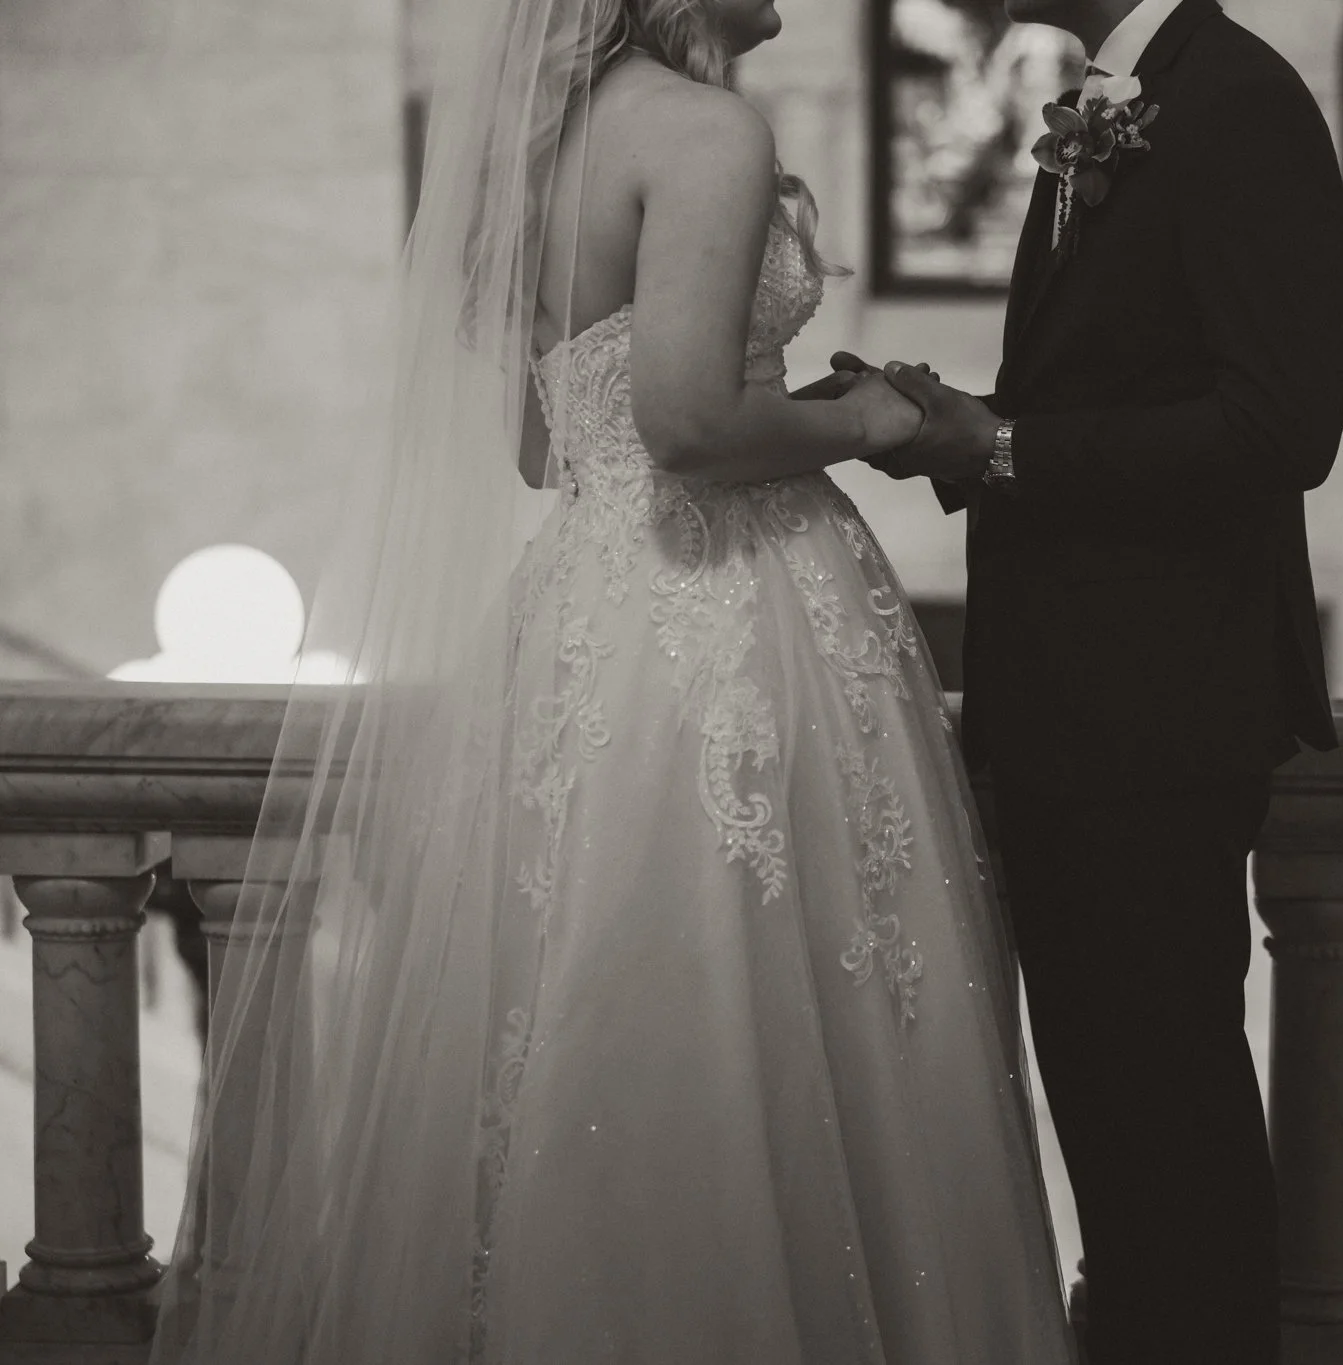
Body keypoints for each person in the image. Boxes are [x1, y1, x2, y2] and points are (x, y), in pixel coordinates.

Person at [147, 1, 1075, 1361]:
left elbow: (549, 451)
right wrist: (875, 417)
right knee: (762, 1006)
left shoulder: (532, 150)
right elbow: (692, 427)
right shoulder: (706, 133)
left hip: (587, 616)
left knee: (587, 1001)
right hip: (735, 618)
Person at [845, 0, 1343, 1360]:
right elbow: (1111, 385)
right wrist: (963, 430)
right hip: (1081, 710)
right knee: (1120, 1143)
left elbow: (1280, 425)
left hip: (1156, 717)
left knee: (1167, 1129)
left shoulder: (1236, 102)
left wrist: (997, 447)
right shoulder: (1128, 98)